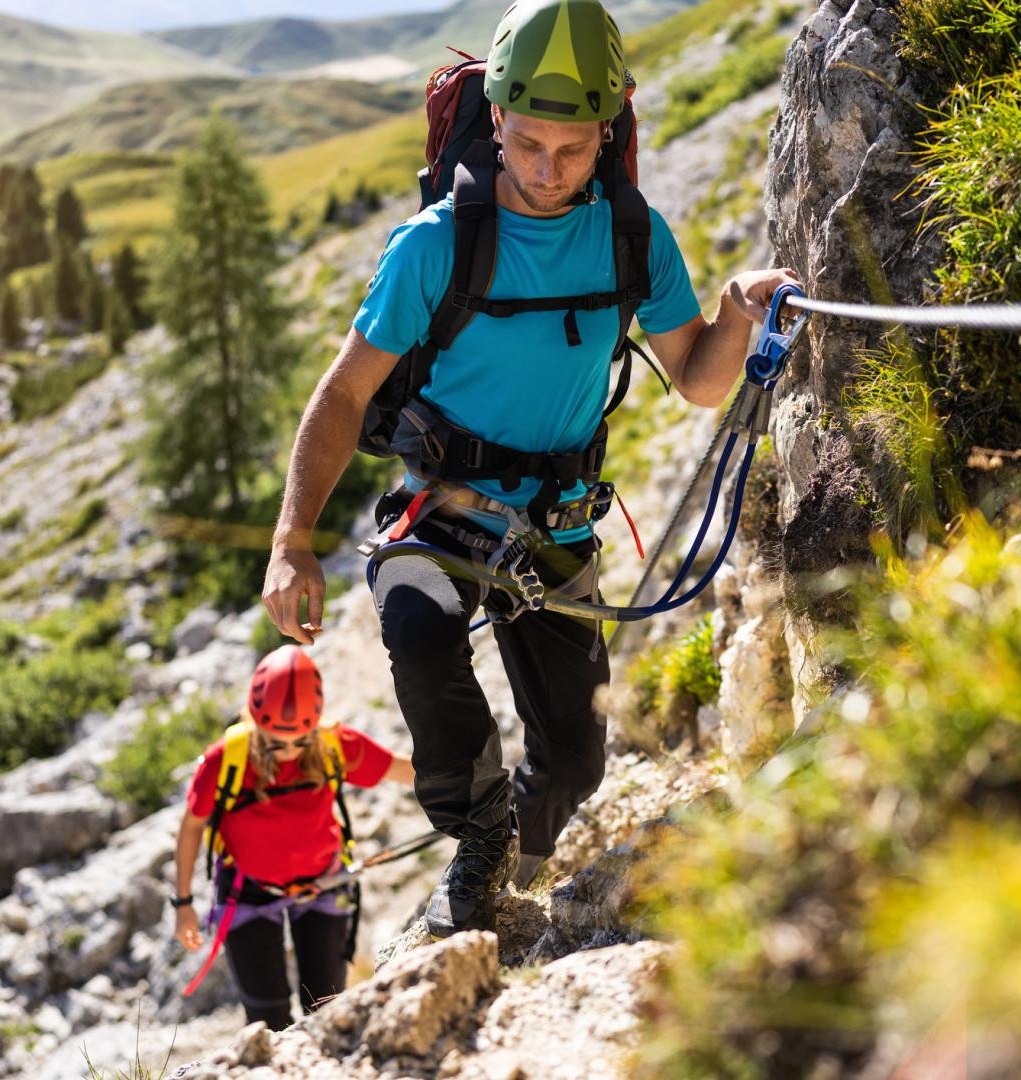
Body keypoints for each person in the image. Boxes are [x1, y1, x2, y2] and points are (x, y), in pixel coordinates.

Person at [262, 0, 799, 939]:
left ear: (612, 129)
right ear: (497, 119)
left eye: (575, 151)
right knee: (421, 638)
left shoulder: (634, 238)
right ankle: (477, 842)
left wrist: (738, 311)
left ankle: (525, 859)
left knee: (579, 759)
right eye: (527, 146)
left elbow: (699, 381)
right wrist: (291, 539)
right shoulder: (435, 244)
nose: (547, 173)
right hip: (443, 510)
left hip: (556, 523)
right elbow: (344, 395)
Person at [172, 645, 414, 1030]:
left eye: (300, 742)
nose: (287, 753)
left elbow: (407, 771)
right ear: (253, 720)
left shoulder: (334, 743)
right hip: (247, 890)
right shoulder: (224, 760)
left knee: (329, 1012)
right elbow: (192, 827)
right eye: (274, 742)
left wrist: (477, 792)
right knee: (266, 1020)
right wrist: (182, 902)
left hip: (322, 883)